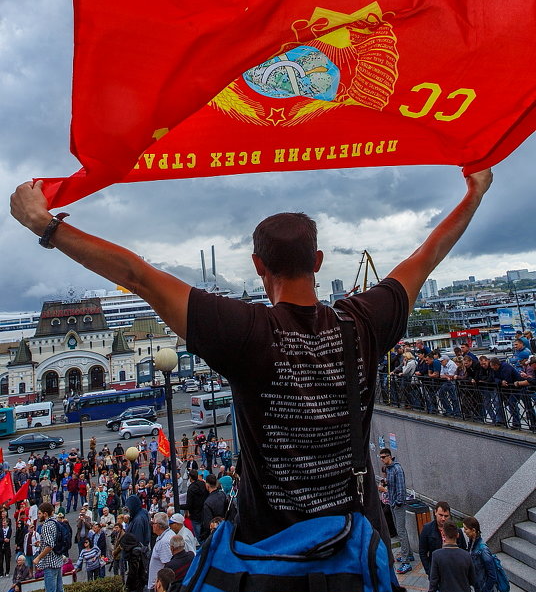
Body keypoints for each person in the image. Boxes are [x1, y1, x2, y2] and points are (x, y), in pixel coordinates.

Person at [10, 169, 493, 551]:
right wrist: (473, 195)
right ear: (319, 261)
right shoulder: (362, 323)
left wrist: (46, 225)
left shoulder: (246, 332)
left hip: (272, 551)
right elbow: (426, 256)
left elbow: (138, 275)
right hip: (357, 546)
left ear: (259, 266)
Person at [377, 448, 412, 574]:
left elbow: (401, 489)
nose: (381, 460)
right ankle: (409, 554)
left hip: (398, 505)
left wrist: (397, 503)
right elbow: (391, 484)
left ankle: (406, 562)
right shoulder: (389, 469)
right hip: (392, 503)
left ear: (389, 457)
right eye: (380, 457)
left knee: (401, 532)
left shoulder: (397, 469)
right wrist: (384, 483)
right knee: (401, 530)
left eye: (383, 457)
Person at [428, 520, 476, 592]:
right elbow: (472, 580)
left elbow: (433, 581)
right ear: (457, 535)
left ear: (443, 534)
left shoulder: (436, 555)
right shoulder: (466, 555)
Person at [419, 501, 466, 576]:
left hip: (454, 571)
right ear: (435, 512)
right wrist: (429, 570)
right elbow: (422, 552)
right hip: (436, 571)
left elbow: (463, 549)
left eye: (446, 516)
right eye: (440, 515)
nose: (443, 519)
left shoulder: (456, 530)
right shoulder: (427, 529)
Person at [32, 502, 64, 592]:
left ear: (45, 514)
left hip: (49, 564)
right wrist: (41, 544)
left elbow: (50, 545)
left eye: (39, 513)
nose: (38, 516)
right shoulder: (55, 522)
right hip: (58, 561)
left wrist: (38, 557)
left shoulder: (45, 526)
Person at [463, 516, 500, 592]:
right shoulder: (471, 543)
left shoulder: (483, 549)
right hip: (480, 588)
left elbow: (492, 574)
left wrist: (485, 591)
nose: (464, 531)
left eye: (466, 529)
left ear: (473, 530)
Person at [148, 512, 175, 592]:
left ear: (159, 525)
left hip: (160, 587)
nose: (152, 525)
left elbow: (167, 565)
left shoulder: (164, 541)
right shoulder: (164, 536)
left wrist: (160, 584)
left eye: (153, 523)